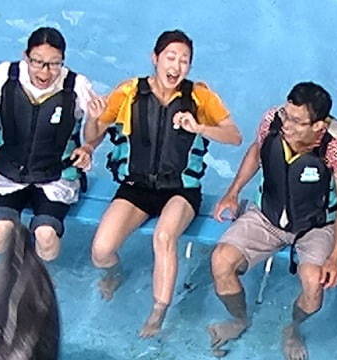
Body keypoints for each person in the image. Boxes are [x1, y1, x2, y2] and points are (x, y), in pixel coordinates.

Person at [81, 31, 242, 337]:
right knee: (101, 250)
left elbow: (234, 136)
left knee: (163, 237)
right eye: (171, 57)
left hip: (181, 191)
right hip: (136, 188)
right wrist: (92, 119)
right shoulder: (128, 93)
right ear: (154, 58)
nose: (177, 66)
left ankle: (158, 313)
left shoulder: (200, 96)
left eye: (184, 61)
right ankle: (115, 273)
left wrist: (201, 127)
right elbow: (92, 137)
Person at [207, 82, 337, 360]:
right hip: (267, 215)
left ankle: (294, 329)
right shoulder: (273, 120)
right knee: (220, 261)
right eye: (287, 115)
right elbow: (256, 151)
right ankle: (240, 319)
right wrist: (232, 192)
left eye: (297, 121)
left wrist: (335, 257)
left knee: (315, 285)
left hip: (316, 226)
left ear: (319, 127)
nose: (286, 124)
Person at [0, 27, 103, 262]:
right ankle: (9, 269)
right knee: (0, 231)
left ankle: (35, 274)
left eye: (54, 64)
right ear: (25, 57)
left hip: (55, 176)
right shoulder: (5, 74)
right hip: (9, 172)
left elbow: (98, 129)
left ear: (62, 61)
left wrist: (89, 147)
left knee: (46, 235)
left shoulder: (76, 86)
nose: (45, 72)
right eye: (37, 62)